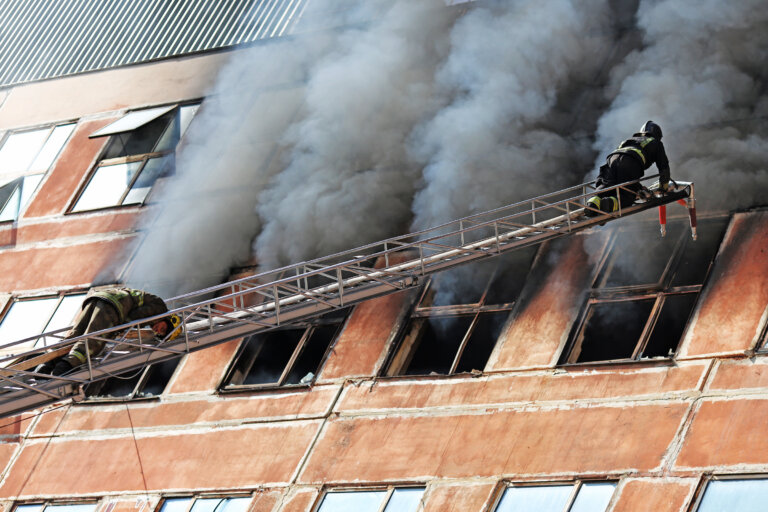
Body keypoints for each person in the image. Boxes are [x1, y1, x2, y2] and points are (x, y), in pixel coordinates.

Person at [36, 287, 181, 376]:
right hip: (114, 306)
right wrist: (120, 327)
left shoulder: (153, 313)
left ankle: (45, 366)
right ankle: (63, 369)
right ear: (168, 319)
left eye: (159, 333)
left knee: (75, 335)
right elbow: (136, 316)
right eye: (162, 328)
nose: (157, 330)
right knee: (94, 341)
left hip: (99, 298)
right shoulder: (160, 308)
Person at [585, 120, 671, 216]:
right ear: (657, 135)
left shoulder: (630, 140)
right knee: (628, 195)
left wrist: (638, 186)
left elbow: (623, 175)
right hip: (631, 161)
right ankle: (609, 204)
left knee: (607, 186)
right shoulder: (656, 143)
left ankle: (592, 204)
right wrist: (663, 187)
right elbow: (664, 167)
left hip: (612, 158)